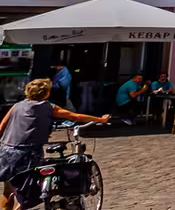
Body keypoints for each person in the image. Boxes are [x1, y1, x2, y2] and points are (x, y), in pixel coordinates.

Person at [0, 79, 107, 210]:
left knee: (8, 191)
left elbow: (1, 127)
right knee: (32, 191)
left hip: (7, 152)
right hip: (29, 154)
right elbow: (75, 116)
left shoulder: (16, 106)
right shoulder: (49, 107)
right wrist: (100, 119)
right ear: (46, 93)